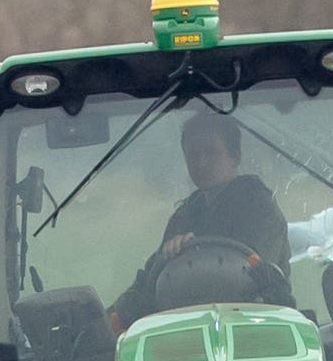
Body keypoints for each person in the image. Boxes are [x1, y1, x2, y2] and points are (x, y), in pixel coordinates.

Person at [112, 109, 290, 321]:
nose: (201, 163)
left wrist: (193, 253)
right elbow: (150, 279)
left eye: (211, 153)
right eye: (193, 155)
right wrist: (112, 317)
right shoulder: (184, 216)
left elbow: (253, 277)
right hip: (185, 329)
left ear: (235, 156)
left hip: (254, 327)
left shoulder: (260, 209)